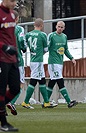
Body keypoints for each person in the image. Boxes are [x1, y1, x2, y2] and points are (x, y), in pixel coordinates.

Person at [21, 18, 54, 109]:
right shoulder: (42, 35)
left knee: (42, 80)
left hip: (32, 59)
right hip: (38, 60)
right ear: (42, 25)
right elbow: (46, 49)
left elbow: (25, 44)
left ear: (34, 25)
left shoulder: (28, 34)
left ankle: (46, 101)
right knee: (34, 80)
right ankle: (25, 101)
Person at [47, 21, 78, 108]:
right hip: (53, 63)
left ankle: (45, 102)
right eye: (58, 26)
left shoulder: (64, 37)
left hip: (60, 63)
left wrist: (71, 58)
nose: (59, 28)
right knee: (60, 82)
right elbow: (46, 47)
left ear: (64, 28)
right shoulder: (51, 36)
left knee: (52, 82)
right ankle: (69, 101)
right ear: (56, 27)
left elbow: (65, 49)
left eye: (61, 27)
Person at [0, 0, 20, 132]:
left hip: (12, 58)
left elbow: (11, 36)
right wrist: (4, 47)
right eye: (12, 0)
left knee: (15, 89)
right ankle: (3, 123)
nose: (14, 3)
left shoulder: (12, 15)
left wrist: (16, 53)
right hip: (1, 57)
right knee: (1, 91)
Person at [6, 10, 27, 116]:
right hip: (17, 61)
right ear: (17, 19)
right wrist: (24, 48)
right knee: (19, 85)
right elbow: (22, 41)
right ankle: (11, 102)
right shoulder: (19, 29)